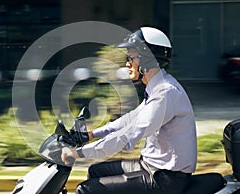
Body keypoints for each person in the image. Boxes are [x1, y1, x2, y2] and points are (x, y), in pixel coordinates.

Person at [61, 27, 197, 194]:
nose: (127, 63)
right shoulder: (157, 89)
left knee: (87, 190)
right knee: (95, 171)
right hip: (150, 166)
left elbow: (129, 134)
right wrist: (93, 134)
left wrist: (79, 153)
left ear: (148, 60)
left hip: (166, 178)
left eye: (131, 57)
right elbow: (130, 120)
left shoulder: (166, 93)